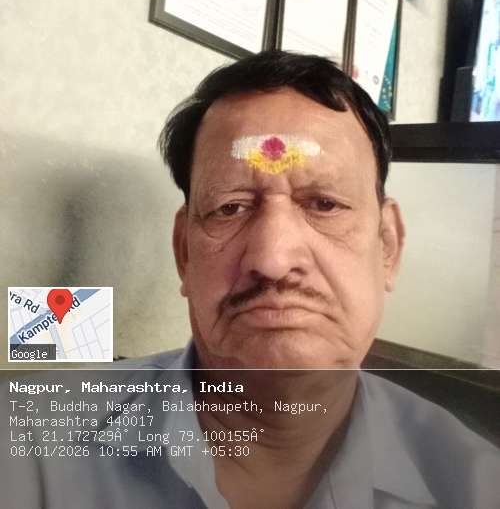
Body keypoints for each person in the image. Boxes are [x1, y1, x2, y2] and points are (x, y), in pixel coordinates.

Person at [1, 51, 499, 508]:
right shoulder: (28, 441)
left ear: (387, 246)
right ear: (184, 252)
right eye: (230, 207)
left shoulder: (476, 485)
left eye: (324, 204)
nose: (273, 259)